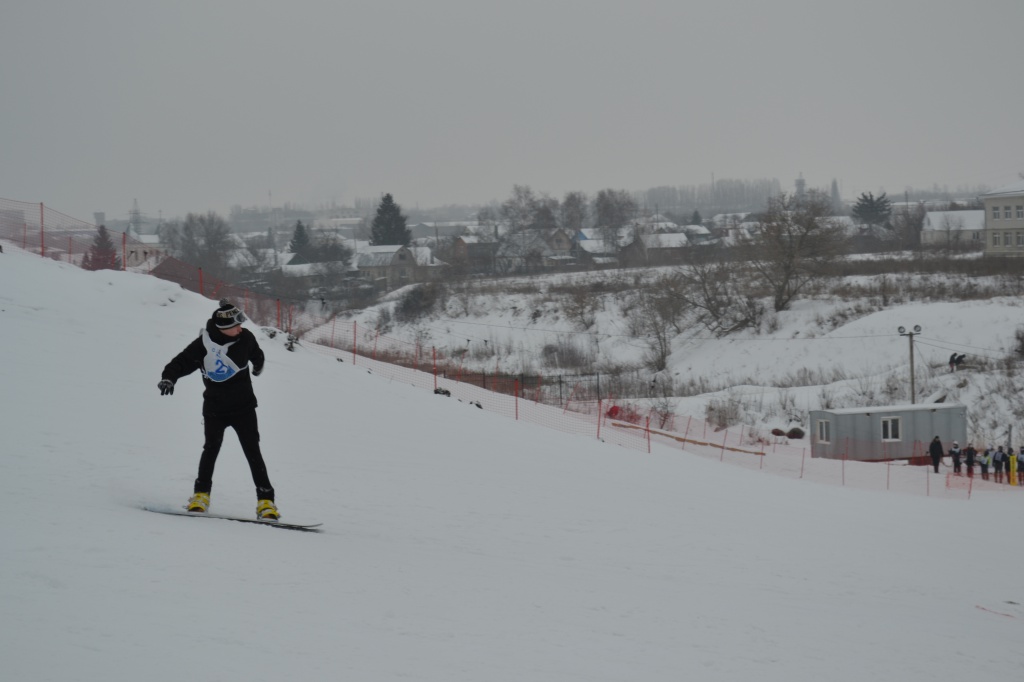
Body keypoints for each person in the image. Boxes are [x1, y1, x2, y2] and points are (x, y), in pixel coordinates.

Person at [157, 301, 279, 520]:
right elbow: (181, 362)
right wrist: (169, 377)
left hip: (244, 409)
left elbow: (256, 354)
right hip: (215, 409)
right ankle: (200, 496)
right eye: (236, 325)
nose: (241, 328)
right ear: (223, 328)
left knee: (253, 451)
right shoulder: (203, 345)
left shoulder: (246, 338)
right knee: (211, 449)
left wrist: (258, 365)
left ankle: (266, 501)